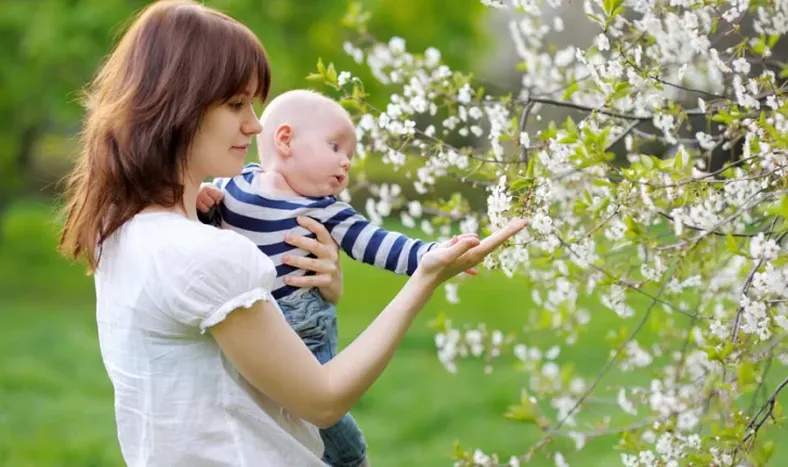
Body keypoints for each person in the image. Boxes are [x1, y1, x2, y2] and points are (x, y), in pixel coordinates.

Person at [57, 1, 528, 466]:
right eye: (237, 104)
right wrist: (425, 277)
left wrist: (323, 291)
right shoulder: (203, 254)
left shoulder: (117, 226)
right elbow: (323, 401)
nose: (255, 124)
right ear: (180, 108)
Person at [196, 89, 479, 467]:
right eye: (336, 147)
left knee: (319, 409)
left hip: (303, 325)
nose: (346, 163)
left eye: (350, 156)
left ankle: (349, 457)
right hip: (250, 321)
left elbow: (375, 243)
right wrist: (201, 201)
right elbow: (205, 233)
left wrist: (428, 254)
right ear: (285, 140)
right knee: (267, 404)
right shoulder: (233, 185)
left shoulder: (326, 211)